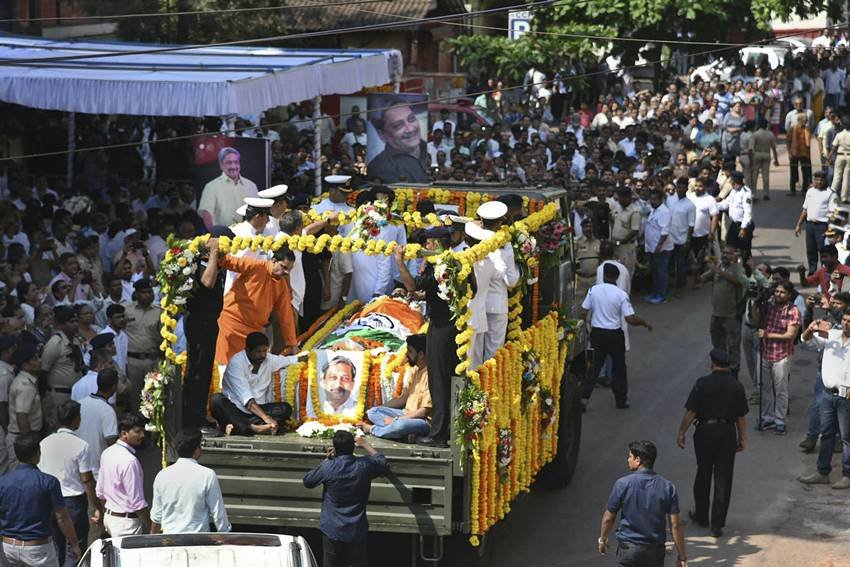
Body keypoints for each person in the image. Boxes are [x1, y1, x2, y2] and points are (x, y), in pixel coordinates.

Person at [394, 227, 459, 446]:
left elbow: (411, 285)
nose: (426, 247)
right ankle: (446, 428)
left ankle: (438, 435)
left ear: (440, 244)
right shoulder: (454, 260)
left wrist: (399, 261)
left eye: (430, 243)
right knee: (446, 378)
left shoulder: (439, 264)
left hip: (442, 328)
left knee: (439, 381)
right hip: (450, 325)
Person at [676, 349, 748, 538]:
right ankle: (717, 525)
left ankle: (701, 516)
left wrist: (681, 432)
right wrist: (742, 438)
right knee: (723, 478)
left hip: (705, 432)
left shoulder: (702, 384)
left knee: (703, 472)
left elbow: (691, 412)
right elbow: (741, 417)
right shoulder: (736, 386)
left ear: (712, 364)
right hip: (727, 433)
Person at [303, 431, 389, 567]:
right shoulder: (364, 466)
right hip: (356, 528)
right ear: (353, 447)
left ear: (335, 448)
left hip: (333, 528)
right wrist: (366, 445)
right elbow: (383, 463)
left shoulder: (329, 466)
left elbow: (308, 481)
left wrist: (327, 460)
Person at [597, 441, 686, 567]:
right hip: (654, 553)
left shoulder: (623, 484)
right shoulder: (668, 487)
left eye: (630, 456)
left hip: (628, 552)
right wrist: (682, 557)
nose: (628, 460)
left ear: (638, 460)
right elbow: (675, 525)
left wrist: (603, 539)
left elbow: (608, 518)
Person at [0, 433, 81, 567]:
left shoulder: (3, 482)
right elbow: (62, 518)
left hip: (8, 547)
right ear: (38, 453)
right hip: (38, 550)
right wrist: (74, 544)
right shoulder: (48, 482)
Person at [39, 401, 104, 566]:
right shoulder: (81, 446)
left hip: (48, 502)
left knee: (56, 547)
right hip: (72, 504)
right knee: (75, 548)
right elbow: (87, 480)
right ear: (77, 419)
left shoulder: (44, 443)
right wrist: (97, 506)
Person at [580, 263, 652, 410]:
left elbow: (583, 311)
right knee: (619, 368)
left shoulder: (593, 291)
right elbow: (630, 319)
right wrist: (644, 322)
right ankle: (621, 400)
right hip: (614, 334)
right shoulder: (621, 295)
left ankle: (584, 398)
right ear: (617, 277)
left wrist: (587, 329)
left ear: (604, 275)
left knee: (593, 367)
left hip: (598, 333)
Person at [215, 248, 299, 365]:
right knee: (223, 366)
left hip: (253, 333)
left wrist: (292, 343)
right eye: (284, 267)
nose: (286, 272)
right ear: (273, 261)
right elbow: (227, 261)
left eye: (289, 269)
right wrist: (214, 250)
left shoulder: (282, 285)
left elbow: (286, 316)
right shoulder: (256, 266)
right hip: (231, 325)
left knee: (245, 369)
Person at [798, 310, 850, 489]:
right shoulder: (832, 335)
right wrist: (811, 329)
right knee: (826, 434)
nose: (847, 324)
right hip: (828, 394)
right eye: (844, 320)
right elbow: (805, 340)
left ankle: (847, 475)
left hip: (847, 397)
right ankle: (822, 472)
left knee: (847, 438)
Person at [211, 332, 301, 436]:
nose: (262, 355)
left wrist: (316, 355)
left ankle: (237, 426)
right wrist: (266, 418)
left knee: (285, 409)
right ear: (248, 350)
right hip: (236, 409)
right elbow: (248, 401)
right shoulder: (237, 363)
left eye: (265, 351)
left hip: (256, 411)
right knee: (216, 400)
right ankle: (253, 428)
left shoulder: (269, 359)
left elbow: (291, 360)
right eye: (258, 352)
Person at [183, 231, 229, 429]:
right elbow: (207, 282)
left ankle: (198, 414)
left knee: (203, 372)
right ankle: (193, 419)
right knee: (198, 373)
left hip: (208, 323)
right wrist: (213, 252)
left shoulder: (212, 264)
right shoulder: (201, 265)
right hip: (199, 323)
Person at [150, 428, 231, 534]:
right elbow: (218, 513)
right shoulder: (207, 475)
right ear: (197, 450)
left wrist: (152, 539)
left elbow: (157, 516)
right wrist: (225, 535)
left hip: (169, 540)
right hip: (196, 541)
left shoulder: (162, 475)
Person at [361, 334, 431, 440]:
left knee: (400, 426)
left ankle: (372, 429)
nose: (406, 354)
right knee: (373, 412)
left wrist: (396, 420)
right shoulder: (414, 370)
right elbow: (403, 398)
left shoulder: (431, 374)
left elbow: (424, 411)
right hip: (405, 413)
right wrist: (382, 408)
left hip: (422, 420)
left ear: (421, 355)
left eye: (410, 351)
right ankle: (402, 434)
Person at [754, 281, 801, 435]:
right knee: (764, 387)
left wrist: (768, 335)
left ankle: (780, 419)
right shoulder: (768, 305)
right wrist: (756, 306)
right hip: (765, 351)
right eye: (776, 291)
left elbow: (790, 335)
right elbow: (756, 321)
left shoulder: (793, 311)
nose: (778, 295)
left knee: (780, 389)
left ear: (788, 294)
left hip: (782, 355)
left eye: (782, 292)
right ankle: (767, 417)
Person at [96, 413, 150, 536]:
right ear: (124, 433)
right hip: (126, 525)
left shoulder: (107, 453)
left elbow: (100, 492)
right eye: (137, 432)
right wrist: (152, 528)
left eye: (143, 431)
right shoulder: (130, 461)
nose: (142, 435)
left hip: (110, 519)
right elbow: (137, 503)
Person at [478, 201, 520, 360]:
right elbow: (511, 281)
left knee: (475, 352)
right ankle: (488, 385)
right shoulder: (505, 244)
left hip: (477, 305)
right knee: (493, 353)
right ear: (500, 222)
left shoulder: (474, 238)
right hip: (497, 305)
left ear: (481, 221)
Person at [699, 247, 748, 375]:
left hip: (731, 315)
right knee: (717, 343)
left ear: (735, 255)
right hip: (716, 314)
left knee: (733, 346)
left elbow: (736, 280)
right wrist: (697, 270)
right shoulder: (719, 266)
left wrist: (716, 270)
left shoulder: (738, 269)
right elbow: (702, 279)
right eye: (724, 253)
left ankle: (733, 371)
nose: (725, 255)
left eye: (729, 253)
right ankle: (719, 368)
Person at [41, 305, 84, 431]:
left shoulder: (75, 341)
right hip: (58, 396)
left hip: (73, 394)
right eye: (71, 322)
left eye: (76, 321)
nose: (75, 324)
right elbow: (43, 372)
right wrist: (45, 397)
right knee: (58, 430)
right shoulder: (55, 343)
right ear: (61, 325)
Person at [367, 96, 429, 183]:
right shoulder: (378, 168)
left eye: (411, 119)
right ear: (382, 135)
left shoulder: (431, 149)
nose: (410, 129)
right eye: (398, 125)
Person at [123, 279, 162, 412]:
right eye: (144, 292)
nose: (148, 295)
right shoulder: (127, 310)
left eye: (150, 292)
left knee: (153, 397)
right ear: (137, 294)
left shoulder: (160, 312)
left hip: (152, 360)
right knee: (134, 397)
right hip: (133, 361)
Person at [198, 147, 259, 229]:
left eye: (236, 162)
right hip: (223, 238)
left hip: (250, 236)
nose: (233, 166)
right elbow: (207, 214)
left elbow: (258, 212)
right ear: (221, 165)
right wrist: (214, 235)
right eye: (229, 163)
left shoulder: (251, 185)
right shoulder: (211, 187)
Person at [76, 368, 119, 481]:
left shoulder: (80, 403)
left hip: (77, 468)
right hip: (97, 471)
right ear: (114, 387)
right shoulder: (107, 410)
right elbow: (112, 443)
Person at [7, 343, 43, 470]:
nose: (40, 360)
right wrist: (28, 444)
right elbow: (22, 417)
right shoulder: (25, 386)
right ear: (24, 365)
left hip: (24, 437)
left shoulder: (29, 381)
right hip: (21, 439)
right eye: (35, 358)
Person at [795, 171, 837, 275]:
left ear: (825, 180)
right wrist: (798, 225)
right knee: (811, 249)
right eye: (816, 180)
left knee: (823, 251)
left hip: (822, 226)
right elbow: (805, 210)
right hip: (810, 225)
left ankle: (825, 272)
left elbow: (833, 213)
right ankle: (812, 271)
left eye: (821, 180)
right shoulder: (810, 192)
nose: (818, 182)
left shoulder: (830, 193)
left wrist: (832, 230)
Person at [716, 171, 754, 260]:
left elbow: (748, 212)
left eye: (731, 181)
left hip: (743, 226)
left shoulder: (746, 193)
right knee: (730, 246)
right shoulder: (734, 191)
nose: (730, 183)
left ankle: (747, 270)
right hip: (734, 224)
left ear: (735, 181)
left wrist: (743, 228)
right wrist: (712, 204)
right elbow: (725, 204)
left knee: (744, 251)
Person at [688, 178, 718, 288]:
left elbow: (714, 216)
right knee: (692, 258)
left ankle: (699, 280)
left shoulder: (709, 199)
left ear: (704, 187)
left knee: (700, 258)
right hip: (689, 234)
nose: (697, 188)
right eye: (696, 186)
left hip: (703, 235)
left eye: (700, 186)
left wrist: (712, 232)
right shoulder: (689, 197)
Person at [644, 191, 673, 304]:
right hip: (652, 246)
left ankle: (662, 295)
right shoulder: (654, 209)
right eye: (651, 199)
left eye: (655, 199)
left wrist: (659, 246)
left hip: (660, 248)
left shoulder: (664, 212)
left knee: (661, 272)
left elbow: (665, 231)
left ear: (661, 199)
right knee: (655, 271)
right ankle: (655, 293)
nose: (652, 201)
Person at [666, 180, 696, 293]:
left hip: (681, 239)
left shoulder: (690, 205)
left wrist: (688, 240)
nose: (680, 190)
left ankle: (680, 286)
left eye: (683, 188)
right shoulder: (670, 199)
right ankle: (668, 285)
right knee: (668, 262)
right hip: (669, 238)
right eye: (678, 187)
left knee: (680, 263)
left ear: (686, 189)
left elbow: (691, 224)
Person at [609, 187, 642, 278]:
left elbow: (634, 231)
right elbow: (612, 220)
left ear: (629, 197)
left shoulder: (635, 211)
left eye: (623, 197)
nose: (620, 200)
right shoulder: (616, 207)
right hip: (615, 246)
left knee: (626, 274)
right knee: (615, 273)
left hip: (627, 246)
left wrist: (620, 242)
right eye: (619, 197)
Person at [750, 119, 779, 200]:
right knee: (765, 175)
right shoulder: (770, 134)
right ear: (767, 125)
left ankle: (754, 193)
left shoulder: (755, 134)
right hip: (766, 154)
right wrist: (776, 159)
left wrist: (751, 158)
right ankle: (766, 193)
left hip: (757, 153)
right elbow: (773, 148)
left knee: (755, 175)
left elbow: (751, 147)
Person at [787, 113, 813, 196]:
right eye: (804, 120)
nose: (806, 121)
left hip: (805, 153)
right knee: (793, 172)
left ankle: (804, 190)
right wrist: (789, 152)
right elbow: (788, 141)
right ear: (800, 120)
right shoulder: (793, 128)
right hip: (794, 152)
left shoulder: (807, 129)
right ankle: (792, 190)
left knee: (806, 172)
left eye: (806, 120)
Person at [829, 117, 850, 203]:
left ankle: (832, 195)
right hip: (849, 156)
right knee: (846, 177)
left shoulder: (839, 134)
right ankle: (844, 197)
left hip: (840, 156)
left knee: (837, 176)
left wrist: (829, 157)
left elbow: (834, 147)